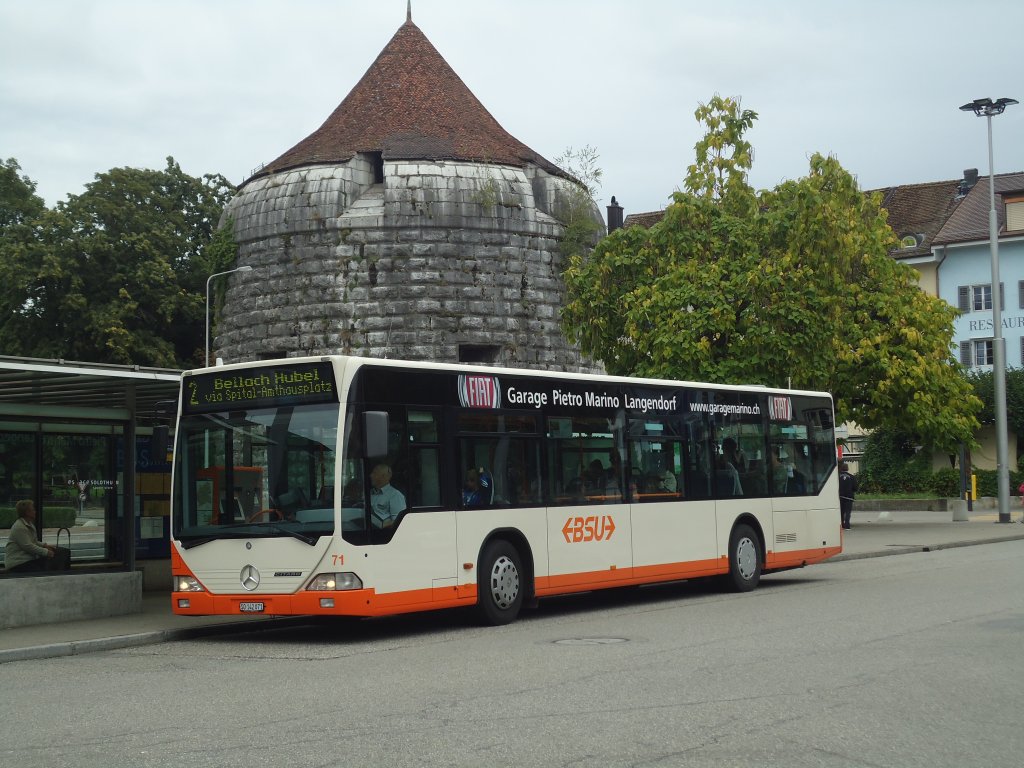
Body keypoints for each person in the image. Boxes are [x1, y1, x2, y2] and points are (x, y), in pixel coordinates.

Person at [3, 500, 65, 573]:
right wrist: (46, 552)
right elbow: (28, 546)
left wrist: (45, 545)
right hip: (18, 563)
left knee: (50, 564)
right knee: (43, 573)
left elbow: (33, 541)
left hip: (27, 561)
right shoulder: (19, 527)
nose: (35, 512)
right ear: (27, 512)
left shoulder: (29, 524)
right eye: (33, 510)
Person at [369, 463, 406, 527]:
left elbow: (400, 520)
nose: (371, 475)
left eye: (375, 473)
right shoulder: (369, 493)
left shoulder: (395, 495)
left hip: (383, 533)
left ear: (384, 476)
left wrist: (381, 526)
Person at [838, 461, 858, 530]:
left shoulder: (837, 477)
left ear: (841, 468)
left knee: (841, 511)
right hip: (849, 497)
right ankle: (847, 526)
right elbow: (855, 488)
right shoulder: (852, 477)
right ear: (847, 469)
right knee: (848, 512)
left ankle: (842, 525)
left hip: (840, 497)